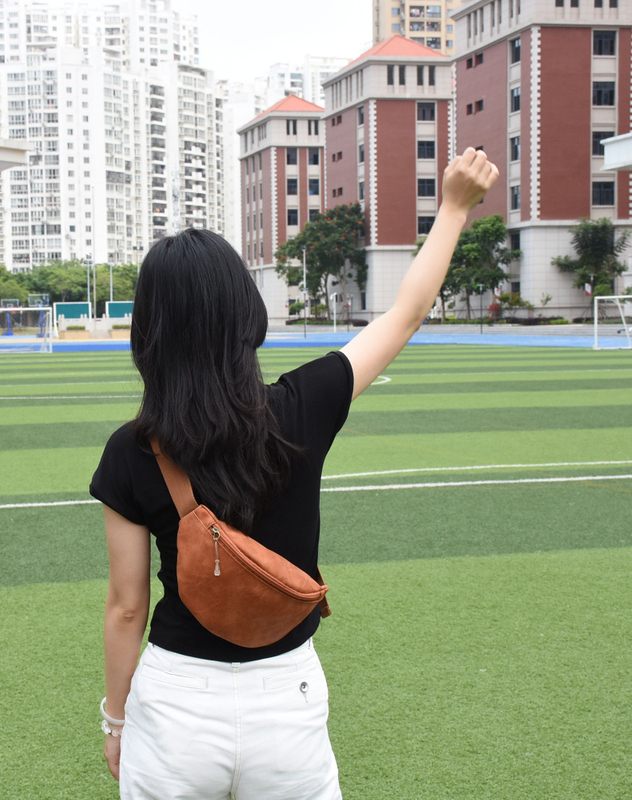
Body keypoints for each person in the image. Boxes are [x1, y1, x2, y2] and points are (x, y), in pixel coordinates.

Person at [89, 147, 499, 799]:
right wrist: (451, 207)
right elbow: (405, 313)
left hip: (173, 707)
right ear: (244, 312)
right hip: (287, 699)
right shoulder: (305, 405)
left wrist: (116, 720)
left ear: (150, 330)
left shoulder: (130, 451)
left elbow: (126, 606)